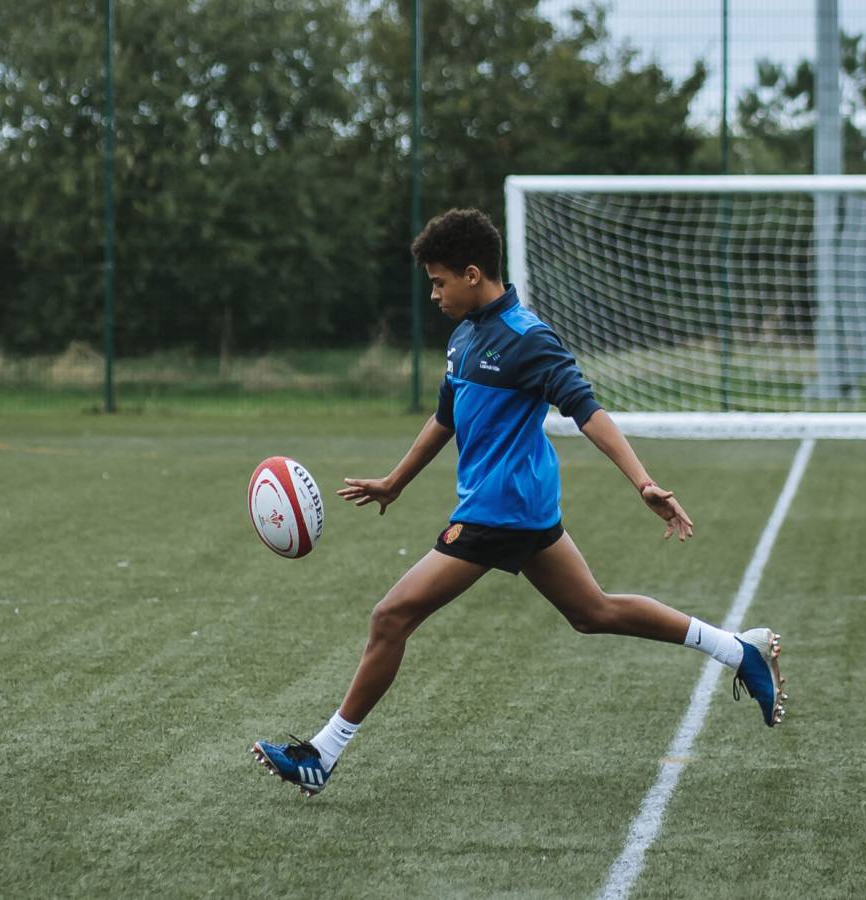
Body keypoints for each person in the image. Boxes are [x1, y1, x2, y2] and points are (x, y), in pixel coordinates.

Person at [252, 208, 784, 797]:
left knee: (390, 616)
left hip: (498, 512)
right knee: (594, 612)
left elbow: (587, 410)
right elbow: (446, 417)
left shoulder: (528, 338)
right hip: (519, 509)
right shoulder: (463, 337)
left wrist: (642, 482)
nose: (433, 294)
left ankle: (322, 754)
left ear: (473, 273)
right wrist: (396, 480)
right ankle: (737, 650)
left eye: (438, 281)